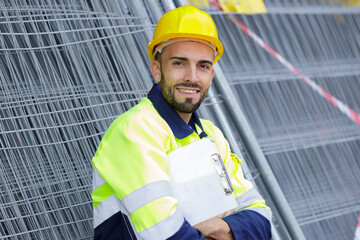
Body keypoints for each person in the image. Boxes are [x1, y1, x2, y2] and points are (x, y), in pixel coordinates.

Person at [92, 5, 272, 240]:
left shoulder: (211, 134)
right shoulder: (134, 131)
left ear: (211, 75)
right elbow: (170, 237)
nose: (192, 77)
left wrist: (216, 228)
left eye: (203, 66)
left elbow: (262, 220)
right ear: (157, 70)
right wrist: (231, 229)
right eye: (179, 63)